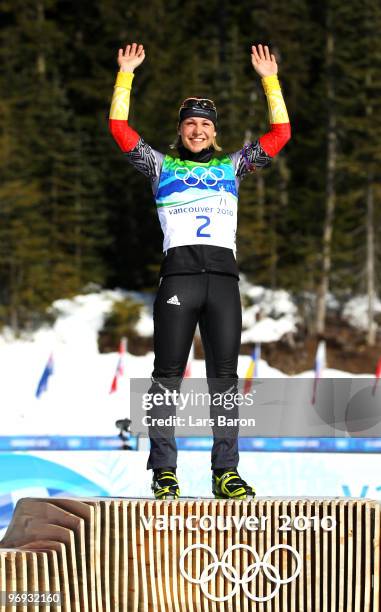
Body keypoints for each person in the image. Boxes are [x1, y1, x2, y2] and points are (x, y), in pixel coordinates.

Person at [109, 42, 290, 500]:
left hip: (223, 283)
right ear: (180, 130)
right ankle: (164, 472)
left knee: (224, 382)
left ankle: (224, 473)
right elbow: (118, 128)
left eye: (205, 124)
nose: (197, 130)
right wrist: (125, 75)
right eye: (190, 123)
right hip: (179, 280)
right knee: (167, 376)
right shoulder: (160, 165)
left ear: (214, 133)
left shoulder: (233, 166)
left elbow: (281, 133)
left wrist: (270, 80)